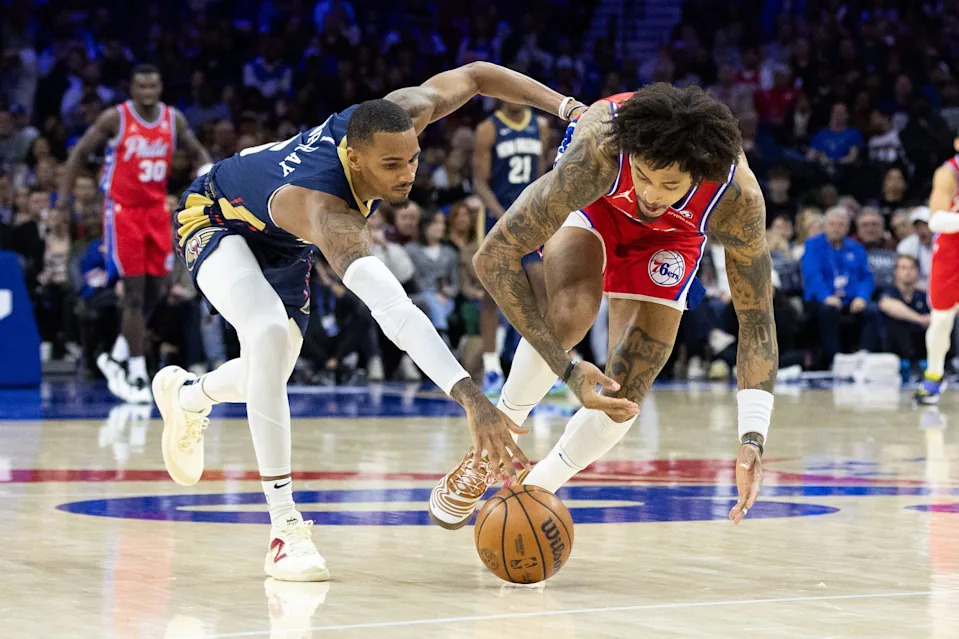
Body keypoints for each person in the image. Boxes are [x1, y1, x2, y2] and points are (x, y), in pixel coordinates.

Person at [151, 62, 582, 581]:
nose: (407, 175)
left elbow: (475, 76)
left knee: (269, 373)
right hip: (216, 216)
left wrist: (568, 109)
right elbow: (395, 311)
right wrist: (472, 398)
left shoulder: (401, 114)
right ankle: (285, 528)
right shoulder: (330, 212)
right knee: (265, 334)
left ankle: (189, 396)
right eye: (391, 165)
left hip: (282, 239)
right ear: (354, 158)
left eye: (413, 159)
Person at [430, 84, 773, 530]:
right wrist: (568, 370)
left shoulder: (737, 197)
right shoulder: (600, 150)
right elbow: (491, 257)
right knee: (572, 310)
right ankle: (487, 454)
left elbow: (757, 318)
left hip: (673, 238)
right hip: (598, 204)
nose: (651, 194)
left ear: (698, 174)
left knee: (626, 393)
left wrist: (752, 437)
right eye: (644, 175)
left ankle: (536, 491)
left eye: (669, 184)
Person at [58, 64, 212, 403]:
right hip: (123, 211)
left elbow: (198, 152)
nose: (147, 92)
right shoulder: (116, 118)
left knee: (159, 287)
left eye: (153, 86)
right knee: (135, 293)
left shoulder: (173, 119)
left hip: (156, 210)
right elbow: (79, 154)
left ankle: (116, 355)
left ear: (160, 87)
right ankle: (138, 373)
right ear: (131, 88)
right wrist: (64, 202)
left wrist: (207, 177)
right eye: (141, 86)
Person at [472, 101, 550, 393]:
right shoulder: (488, 129)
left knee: (542, 288)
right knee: (492, 294)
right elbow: (480, 183)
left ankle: (540, 365)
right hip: (497, 216)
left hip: (529, 218)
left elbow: (541, 177)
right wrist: (504, 216)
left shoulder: (541, 126)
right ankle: (492, 368)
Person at [801, 207, 875, 367]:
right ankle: (834, 359)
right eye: (832, 224)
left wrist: (862, 297)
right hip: (821, 300)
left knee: (872, 311)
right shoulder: (813, 245)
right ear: (825, 226)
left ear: (847, 228)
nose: (836, 228)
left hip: (850, 299)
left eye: (841, 225)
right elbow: (812, 275)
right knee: (829, 310)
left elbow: (866, 277)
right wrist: (826, 296)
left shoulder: (857, 248)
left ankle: (865, 357)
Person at [915, 138, 959, 403]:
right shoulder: (948, 172)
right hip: (952, 250)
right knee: (942, 318)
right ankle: (934, 375)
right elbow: (936, 220)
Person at [879, 255, 929, 365]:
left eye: (912, 268)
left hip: (920, 342)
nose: (908, 272)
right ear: (896, 271)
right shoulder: (890, 290)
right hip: (894, 346)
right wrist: (919, 319)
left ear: (918, 272)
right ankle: (910, 362)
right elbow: (887, 305)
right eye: (903, 268)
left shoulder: (922, 294)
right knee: (898, 322)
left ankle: (948, 361)